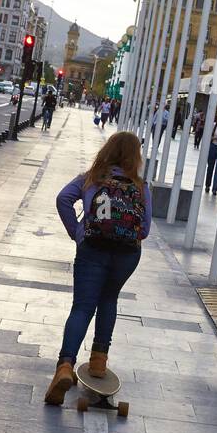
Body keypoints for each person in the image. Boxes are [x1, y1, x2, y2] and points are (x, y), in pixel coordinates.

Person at [46, 132, 151, 405]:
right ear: (135, 156)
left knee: (82, 307)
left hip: (92, 249)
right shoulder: (140, 186)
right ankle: (98, 363)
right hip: (126, 255)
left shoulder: (91, 178)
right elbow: (146, 230)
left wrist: (76, 231)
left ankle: (65, 366)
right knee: (109, 298)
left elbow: (62, 199)